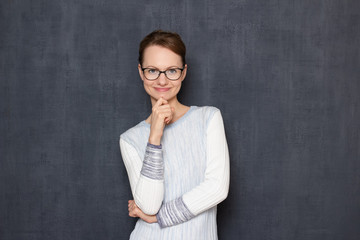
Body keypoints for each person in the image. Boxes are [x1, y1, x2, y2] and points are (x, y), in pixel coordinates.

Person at [119, 30, 230, 240]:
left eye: (171, 70)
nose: (162, 81)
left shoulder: (208, 118)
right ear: (141, 72)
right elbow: (149, 205)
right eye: (152, 70)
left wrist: (161, 217)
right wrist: (154, 137)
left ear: (184, 72)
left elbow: (217, 188)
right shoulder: (130, 139)